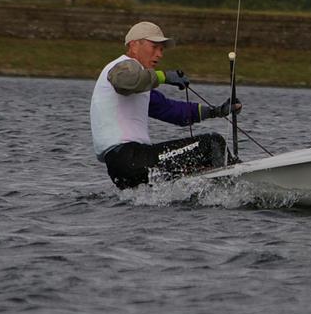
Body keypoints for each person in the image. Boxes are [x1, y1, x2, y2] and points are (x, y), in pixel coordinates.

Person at [90, 21, 241, 189]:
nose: (159, 54)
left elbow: (170, 110)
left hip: (123, 169)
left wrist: (216, 111)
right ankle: (237, 185)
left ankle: (219, 189)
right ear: (134, 45)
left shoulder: (138, 86)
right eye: (154, 47)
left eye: (161, 49)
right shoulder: (124, 66)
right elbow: (125, 80)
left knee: (199, 163)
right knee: (213, 143)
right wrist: (164, 77)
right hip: (130, 157)